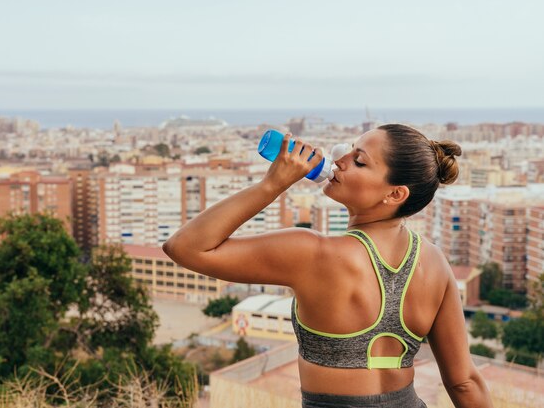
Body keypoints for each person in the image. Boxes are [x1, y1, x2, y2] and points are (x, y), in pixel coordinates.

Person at [163, 124, 493, 408]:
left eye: (359, 161)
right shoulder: (434, 262)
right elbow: (464, 382)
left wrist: (272, 184)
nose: (340, 160)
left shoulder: (313, 254)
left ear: (395, 195)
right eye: (350, 150)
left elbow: (185, 247)